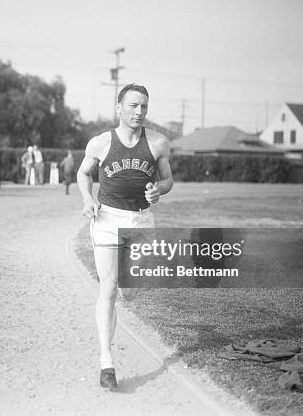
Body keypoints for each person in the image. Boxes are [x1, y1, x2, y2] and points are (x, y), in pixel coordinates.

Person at [76, 83, 174, 390]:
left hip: (141, 220)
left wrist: (160, 189)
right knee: (108, 288)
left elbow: (168, 178)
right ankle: (107, 363)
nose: (139, 111)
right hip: (106, 219)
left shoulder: (158, 143)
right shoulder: (101, 142)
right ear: (119, 108)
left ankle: (125, 284)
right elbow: (83, 173)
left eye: (144, 106)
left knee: (129, 292)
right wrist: (87, 199)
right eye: (133, 105)